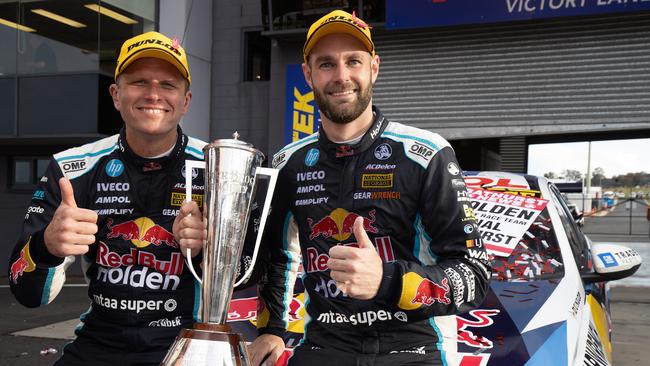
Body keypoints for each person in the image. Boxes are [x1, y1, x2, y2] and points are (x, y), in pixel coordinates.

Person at [248, 10, 492, 366]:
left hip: (413, 349)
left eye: (354, 62)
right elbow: (276, 257)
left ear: (373, 68)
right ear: (308, 74)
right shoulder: (288, 163)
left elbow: (475, 273)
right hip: (324, 348)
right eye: (327, 64)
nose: (342, 76)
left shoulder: (425, 154)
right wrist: (273, 327)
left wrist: (388, 280)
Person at [7, 31, 255, 365]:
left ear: (186, 100)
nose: (154, 95)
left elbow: (248, 278)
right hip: (97, 345)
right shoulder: (71, 168)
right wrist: (46, 246)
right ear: (116, 94)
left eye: (168, 85)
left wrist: (206, 252)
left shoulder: (220, 168)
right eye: (139, 82)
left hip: (186, 345)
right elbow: (26, 293)